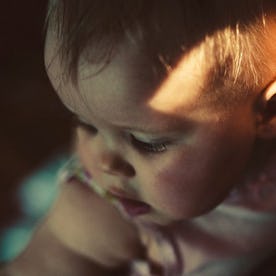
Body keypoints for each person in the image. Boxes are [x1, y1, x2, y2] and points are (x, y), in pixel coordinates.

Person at [1, 0, 276, 275]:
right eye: (86, 124)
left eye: (147, 142)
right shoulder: (93, 217)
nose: (105, 161)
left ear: (268, 112)